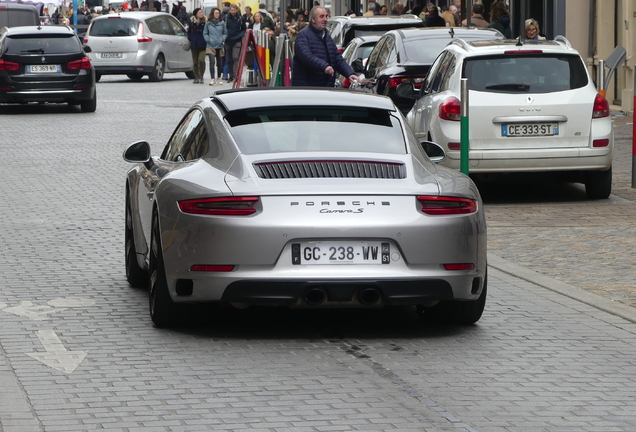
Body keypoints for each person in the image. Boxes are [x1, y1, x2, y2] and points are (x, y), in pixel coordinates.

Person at [291, 6, 357, 87]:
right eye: (321, 16)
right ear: (313, 19)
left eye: (326, 16)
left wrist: (349, 73)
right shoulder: (303, 35)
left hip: (325, 88)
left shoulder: (327, 37)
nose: (325, 19)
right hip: (307, 88)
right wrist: (324, 66)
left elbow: (337, 58)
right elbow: (306, 55)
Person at [204, 7, 227, 85]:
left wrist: (222, 39)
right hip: (210, 45)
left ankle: (219, 77)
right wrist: (208, 39)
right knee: (212, 61)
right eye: (216, 13)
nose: (217, 15)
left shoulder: (222, 23)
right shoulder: (208, 23)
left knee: (219, 63)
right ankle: (212, 78)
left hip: (219, 45)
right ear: (212, 14)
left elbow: (225, 32)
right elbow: (205, 33)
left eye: (218, 13)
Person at [224, 3, 246, 82]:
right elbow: (224, 28)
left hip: (237, 40)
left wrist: (240, 36)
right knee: (229, 59)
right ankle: (230, 75)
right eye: (231, 10)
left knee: (235, 57)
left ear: (236, 10)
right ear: (229, 10)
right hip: (227, 40)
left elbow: (244, 29)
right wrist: (225, 37)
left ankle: (235, 75)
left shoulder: (240, 18)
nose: (233, 12)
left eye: (234, 10)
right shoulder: (226, 18)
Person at [188, 8, 207, 83]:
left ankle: (201, 75)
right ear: (196, 14)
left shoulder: (205, 22)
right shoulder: (192, 22)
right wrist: (191, 38)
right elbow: (188, 32)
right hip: (194, 43)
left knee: (201, 60)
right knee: (195, 62)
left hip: (203, 43)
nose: (201, 14)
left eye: (202, 12)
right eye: (199, 12)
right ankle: (196, 77)